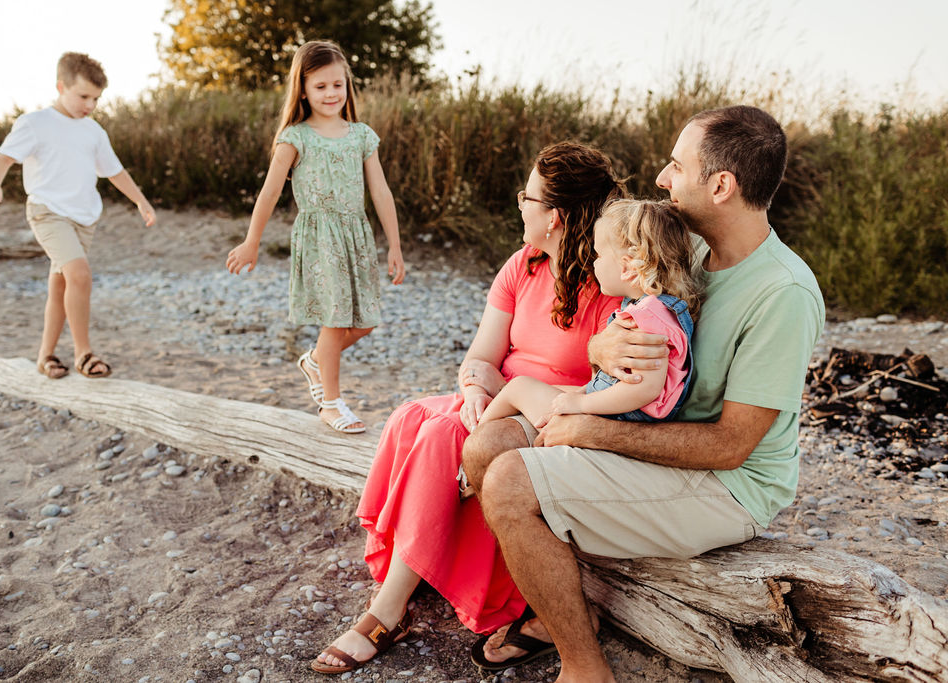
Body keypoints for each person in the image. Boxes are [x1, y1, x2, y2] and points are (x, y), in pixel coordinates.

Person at [462, 105, 825, 682]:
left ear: (722, 185)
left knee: (509, 481)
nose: (661, 178)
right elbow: (628, 327)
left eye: (676, 166)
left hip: (728, 485)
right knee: (488, 447)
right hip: (650, 430)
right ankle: (555, 601)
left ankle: (585, 669)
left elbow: (732, 446)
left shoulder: (782, 293)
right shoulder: (692, 252)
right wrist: (599, 350)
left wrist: (590, 429)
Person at [310, 141, 628, 675]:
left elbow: (600, 395)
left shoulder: (612, 283)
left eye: (525, 197)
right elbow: (482, 354)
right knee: (415, 417)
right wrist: (477, 389)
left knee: (441, 439)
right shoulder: (522, 265)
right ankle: (415, 572)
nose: (518, 205)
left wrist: (508, 403)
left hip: (548, 415)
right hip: (497, 397)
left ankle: (388, 609)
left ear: (553, 216)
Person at [225, 40, 405, 434]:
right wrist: (252, 240)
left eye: (337, 85)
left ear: (347, 86)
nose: (330, 94)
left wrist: (394, 244)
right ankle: (331, 402)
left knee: (365, 321)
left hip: (355, 235)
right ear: (303, 89)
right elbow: (270, 192)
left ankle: (313, 362)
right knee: (334, 319)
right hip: (319, 236)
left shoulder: (361, 135)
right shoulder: (295, 137)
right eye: (320, 86)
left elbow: (380, 191)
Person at [0, 52, 157, 380]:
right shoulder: (35, 123)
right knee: (80, 275)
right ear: (61, 86)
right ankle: (83, 353)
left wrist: (141, 201)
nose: (89, 105)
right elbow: (1, 158)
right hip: (48, 212)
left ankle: (45, 355)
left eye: (96, 99)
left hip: (84, 218)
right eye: (83, 96)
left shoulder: (94, 132)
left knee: (61, 285)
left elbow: (115, 172)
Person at [478, 199, 702, 428]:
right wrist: (581, 394)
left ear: (627, 268)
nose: (593, 264)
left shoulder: (647, 318)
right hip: (613, 405)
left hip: (616, 416)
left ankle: (475, 434)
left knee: (518, 388)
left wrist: (581, 404)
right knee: (532, 389)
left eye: (598, 256)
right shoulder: (660, 310)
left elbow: (646, 388)